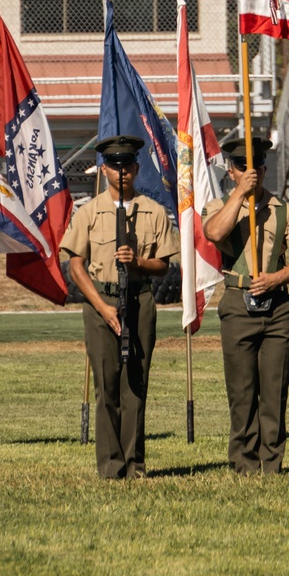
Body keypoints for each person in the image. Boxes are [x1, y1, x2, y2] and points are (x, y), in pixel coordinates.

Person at [60, 134, 177, 479]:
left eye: (127, 165)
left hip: (139, 301)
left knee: (135, 385)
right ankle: (110, 467)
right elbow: (76, 266)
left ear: (137, 168)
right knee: (106, 387)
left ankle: (134, 465)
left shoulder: (154, 211)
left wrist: (138, 261)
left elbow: (164, 265)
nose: (122, 171)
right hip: (102, 303)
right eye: (114, 165)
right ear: (104, 169)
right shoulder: (89, 212)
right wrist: (101, 307)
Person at [203, 131, 289, 474]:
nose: (253, 171)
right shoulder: (220, 206)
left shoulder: (283, 211)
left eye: (258, 165)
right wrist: (240, 193)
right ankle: (243, 462)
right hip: (238, 303)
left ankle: (271, 463)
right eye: (242, 166)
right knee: (242, 391)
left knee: (274, 388)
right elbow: (215, 233)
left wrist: (278, 278)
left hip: (277, 306)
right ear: (231, 170)